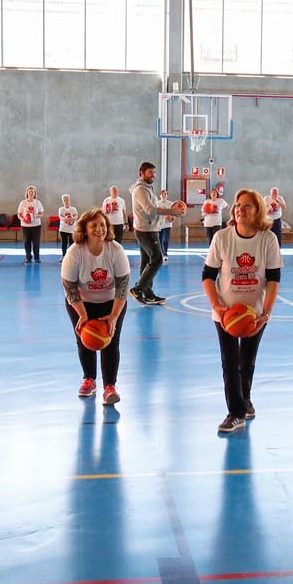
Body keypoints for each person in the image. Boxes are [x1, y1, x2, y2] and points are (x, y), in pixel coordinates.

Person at [203, 188, 282, 433]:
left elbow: (273, 279)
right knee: (230, 361)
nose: (240, 209)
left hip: (255, 312)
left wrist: (265, 313)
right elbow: (207, 275)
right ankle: (235, 413)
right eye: (238, 205)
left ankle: (244, 400)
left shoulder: (268, 239)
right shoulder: (222, 237)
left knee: (247, 361)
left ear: (258, 211)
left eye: (247, 205)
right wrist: (216, 305)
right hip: (226, 313)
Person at [62, 208, 131, 404]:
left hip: (112, 301)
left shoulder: (115, 250)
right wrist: (82, 316)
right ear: (84, 229)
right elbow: (70, 288)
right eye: (94, 226)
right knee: (85, 339)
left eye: (102, 225)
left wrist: (114, 316)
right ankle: (89, 379)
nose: (99, 229)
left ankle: (110, 386)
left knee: (111, 340)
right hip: (81, 302)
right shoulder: (75, 253)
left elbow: (123, 287)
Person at [131, 160, 186, 306]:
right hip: (145, 230)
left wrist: (166, 215)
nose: (153, 175)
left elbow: (153, 209)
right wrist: (171, 211)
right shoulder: (140, 190)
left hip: (150, 229)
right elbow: (150, 209)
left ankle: (148, 294)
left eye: (154, 172)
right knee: (157, 259)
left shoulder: (148, 187)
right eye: (150, 172)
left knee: (146, 261)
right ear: (141, 173)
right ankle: (138, 289)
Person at [16, 186, 47, 264]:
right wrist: (23, 219)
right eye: (29, 191)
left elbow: (42, 213)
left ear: (34, 193)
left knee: (36, 242)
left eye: (32, 192)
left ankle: (37, 258)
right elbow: (19, 214)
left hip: (36, 225)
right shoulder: (23, 202)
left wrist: (35, 216)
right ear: (26, 193)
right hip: (25, 226)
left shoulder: (37, 202)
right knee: (27, 242)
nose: (31, 193)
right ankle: (28, 257)